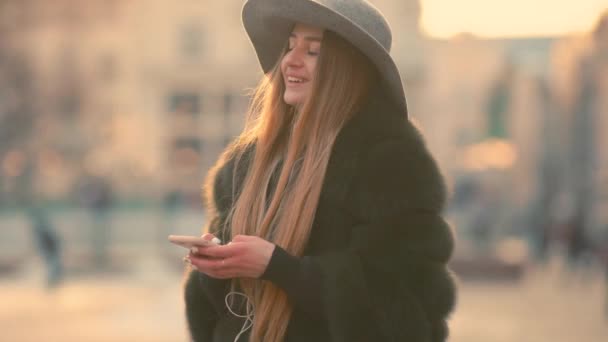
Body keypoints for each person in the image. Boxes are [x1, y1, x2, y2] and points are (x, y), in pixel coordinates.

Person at [182, 1, 456, 341]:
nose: (290, 61)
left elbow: (403, 313)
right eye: (290, 45)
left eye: (312, 51)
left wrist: (280, 268)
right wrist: (216, 268)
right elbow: (212, 312)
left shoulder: (389, 165)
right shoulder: (245, 164)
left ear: (348, 69)